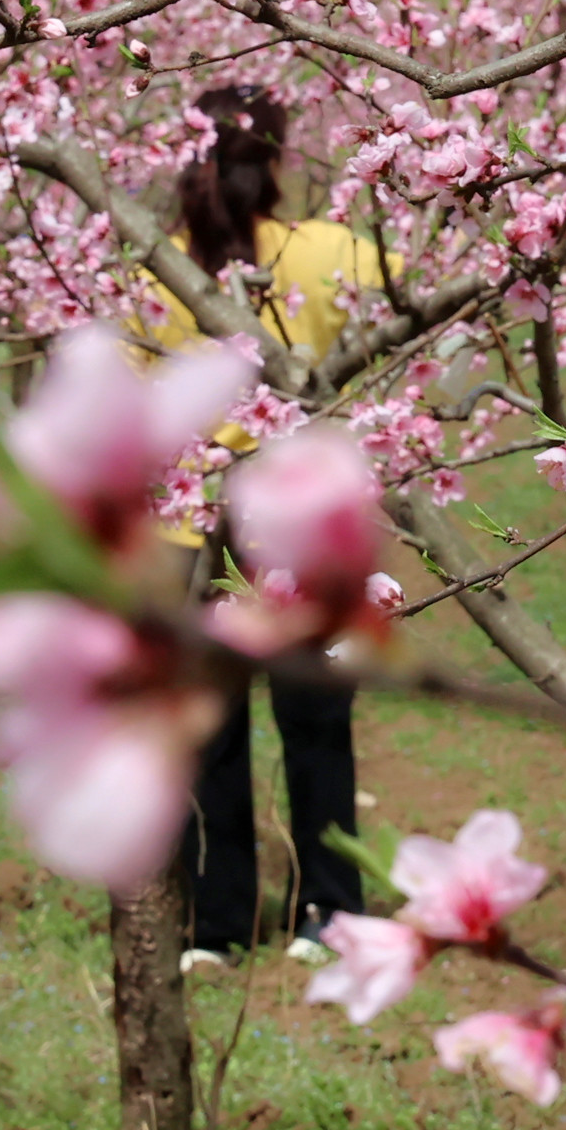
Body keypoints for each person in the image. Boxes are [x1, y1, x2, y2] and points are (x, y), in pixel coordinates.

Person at [159, 84, 391, 972]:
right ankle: (328, 914)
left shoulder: (164, 265)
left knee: (210, 728)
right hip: (303, 518)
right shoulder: (331, 249)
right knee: (318, 726)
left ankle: (215, 926)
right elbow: (414, 309)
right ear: (283, 159)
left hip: (195, 521)